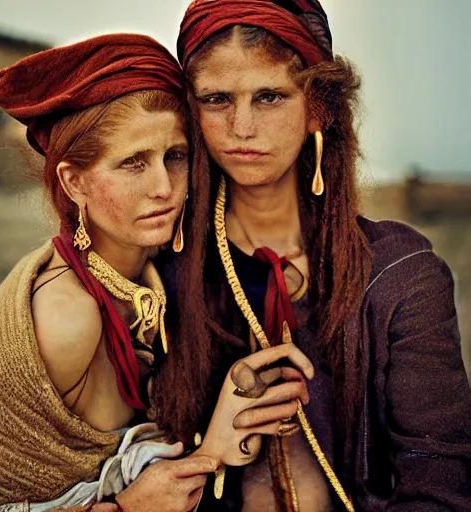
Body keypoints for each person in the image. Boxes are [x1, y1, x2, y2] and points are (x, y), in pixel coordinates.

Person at [0, 32, 312, 512]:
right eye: (133, 164)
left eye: (175, 156)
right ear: (73, 181)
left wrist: (217, 439)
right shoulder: (65, 317)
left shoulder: (150, 278)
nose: (164, 187)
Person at [152, 1, 471, 510]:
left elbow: (440, 485)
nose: (242, 126)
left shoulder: (400, 275)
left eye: (270, 97)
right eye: (216, 99)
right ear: (190, 112)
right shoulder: (158, 278)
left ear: (317, 106)